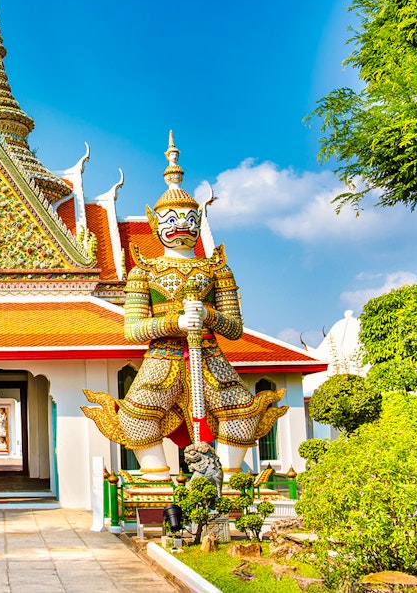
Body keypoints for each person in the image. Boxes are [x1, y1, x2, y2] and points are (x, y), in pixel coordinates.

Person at [83, 132, 286, 480]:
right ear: (155, 224)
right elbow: (133, 330)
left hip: (207, 353)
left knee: (241, 417)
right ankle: (158, 478)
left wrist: (209, 316)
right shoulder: (144, 271)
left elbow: (235, 328)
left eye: (190, 220)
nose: (182, 227)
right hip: (163, 358)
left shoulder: (216, 268)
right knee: (135, 419)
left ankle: (230, 478)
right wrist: (174, 323)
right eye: (172, 220)